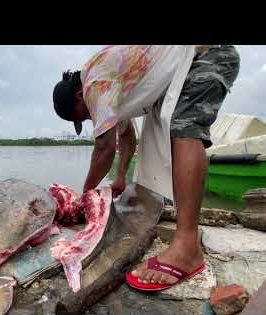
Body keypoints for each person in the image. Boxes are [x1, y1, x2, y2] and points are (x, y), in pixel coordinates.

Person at [53, 45, 240, 291]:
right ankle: (185, 238)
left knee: (183, 127)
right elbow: (128, 137)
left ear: (79, 96)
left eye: (83, 117)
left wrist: (85, 194)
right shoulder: (109, 85)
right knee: (171, 130)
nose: (89, 120)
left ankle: (186, 246)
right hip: (187, 64)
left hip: (208, 54)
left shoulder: (94, 83)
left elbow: (105, 147)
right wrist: (120, 178)